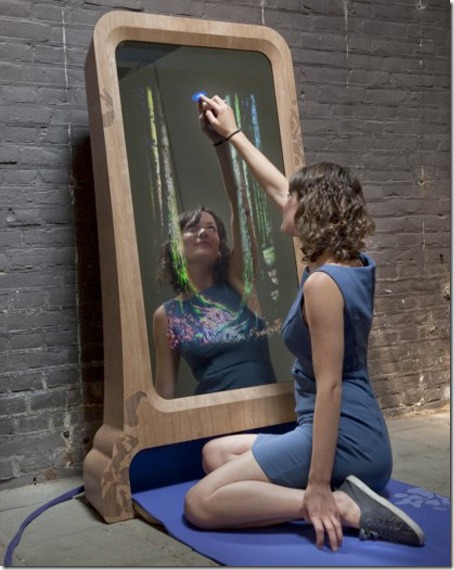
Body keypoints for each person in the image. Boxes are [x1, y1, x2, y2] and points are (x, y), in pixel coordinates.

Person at [183, 94, 425, 551]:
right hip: (346, 430)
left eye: (293, 199)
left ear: (311, 211)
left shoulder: (323, 285)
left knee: (200, 503)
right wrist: (230, 135)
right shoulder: (351, 263)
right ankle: (334, 491)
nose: (284, 201)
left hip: (347, 439)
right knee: (215, 453)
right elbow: (278, 187)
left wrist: (315, 487)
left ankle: (340, 503)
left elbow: (330, 387)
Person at [152, 103, 276, 399]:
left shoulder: (238, 284)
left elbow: (240, 209)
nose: (203, 231)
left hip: (268, 414)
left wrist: (221, 145)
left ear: (221, 247)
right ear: (175, 248)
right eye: (192, 227)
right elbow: (165, 390)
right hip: (212, 417)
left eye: (211, 228)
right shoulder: (167, 315)